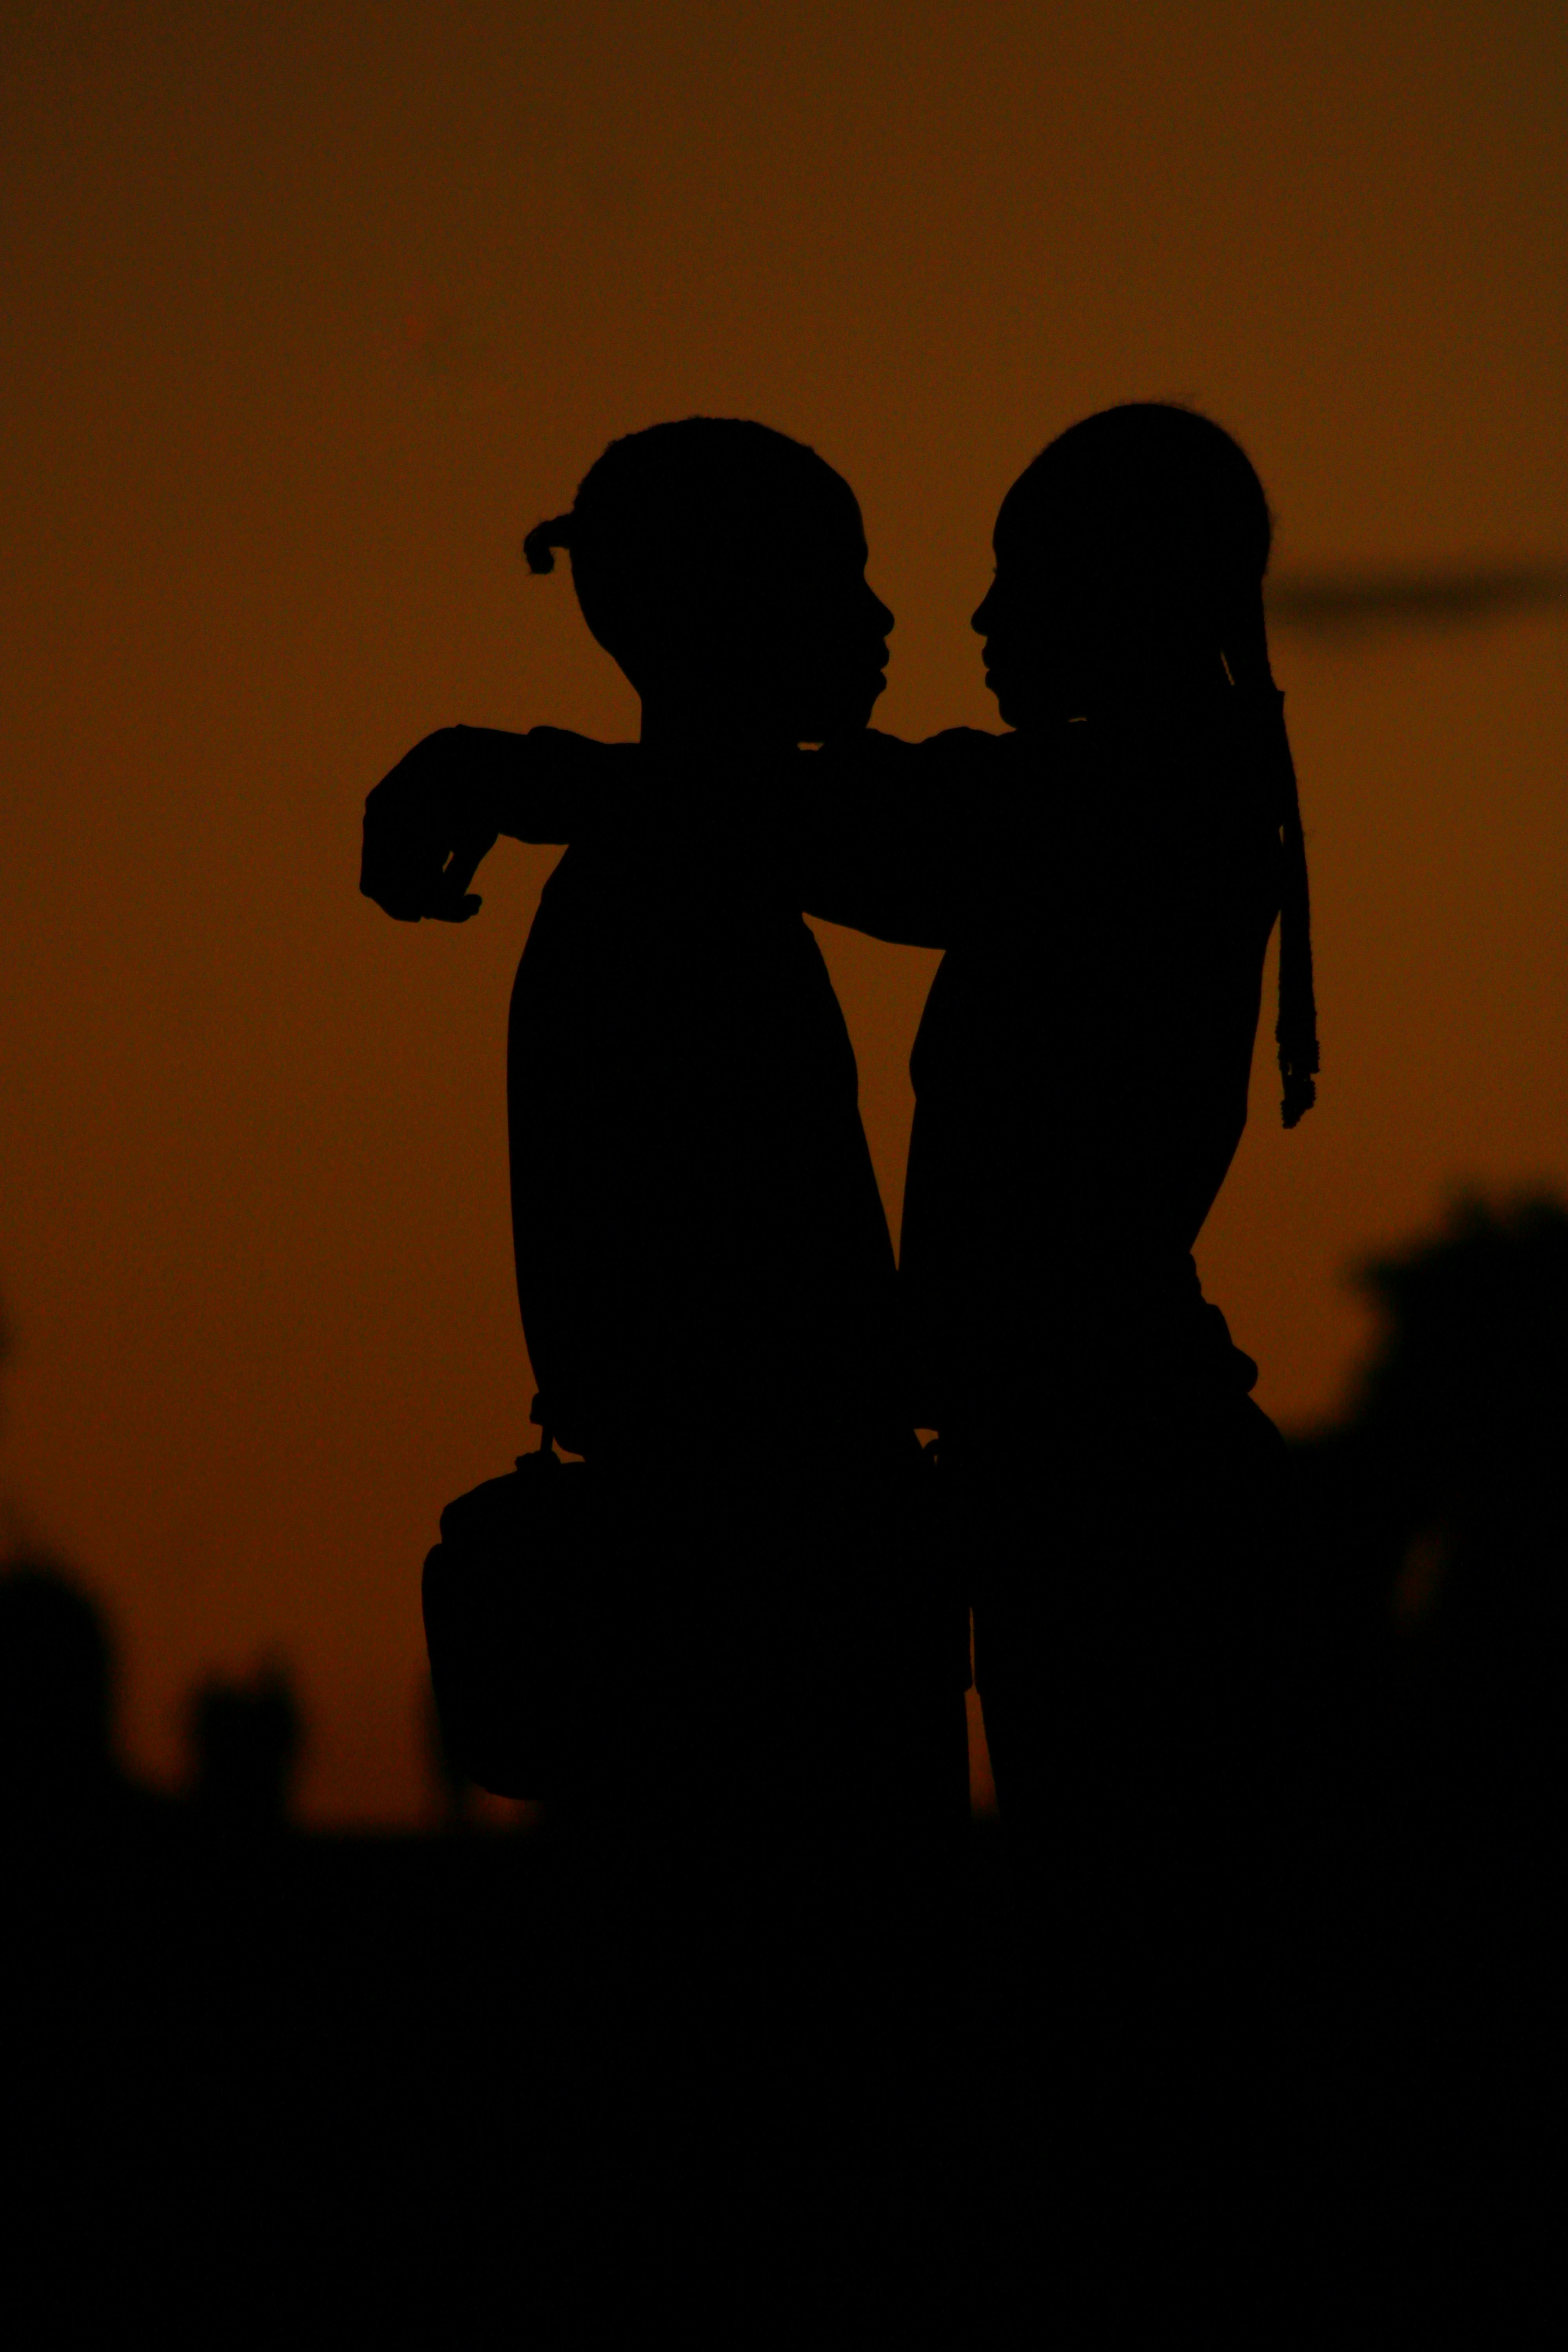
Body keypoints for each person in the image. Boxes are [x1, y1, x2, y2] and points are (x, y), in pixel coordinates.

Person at [365, 419, 971, 2156]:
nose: (877, 621)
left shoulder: (667, 874)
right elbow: (725, 1316)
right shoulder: (671, 906)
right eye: (833, 577)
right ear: (712, 607)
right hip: (761, 1624)